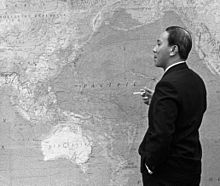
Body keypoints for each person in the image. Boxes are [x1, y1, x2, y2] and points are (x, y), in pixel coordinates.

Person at [138, 26, 207, 186]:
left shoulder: (167, 85)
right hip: (190, 168)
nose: (154, 49)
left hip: (166, 173)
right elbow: (186, 115)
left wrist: (150, 165)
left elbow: (162, 134)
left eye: (159, 44)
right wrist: (157, 101)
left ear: (173, 49)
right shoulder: (196, 81)